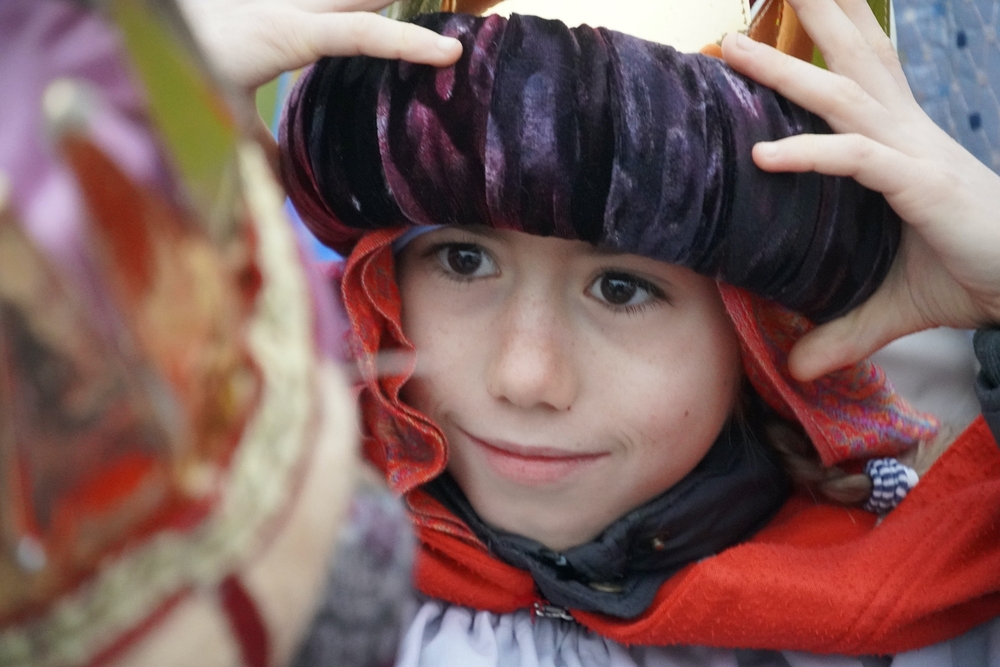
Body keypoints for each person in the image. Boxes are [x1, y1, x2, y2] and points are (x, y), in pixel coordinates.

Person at [273, 0, 1000, 664]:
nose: (526, 378)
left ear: (761, 340)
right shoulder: (261, 569)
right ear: (378, 287)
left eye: (621, 288)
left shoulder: (936, 604)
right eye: (465, 260)